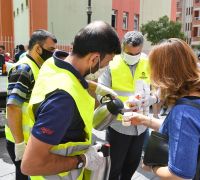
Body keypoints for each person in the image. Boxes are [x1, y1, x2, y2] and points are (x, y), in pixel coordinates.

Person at [21, 21, 121, 180]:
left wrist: (96, 88)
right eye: (107, 63)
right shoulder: (62, 101)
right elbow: (30, 165)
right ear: (94, 58)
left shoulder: (53, 63)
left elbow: (70, 78)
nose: (106, 68)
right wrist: (83, 160)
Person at [125, 38, 200, 179]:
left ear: (165, 73)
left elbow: (179, 176)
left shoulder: (184, 114)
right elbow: (186, 133)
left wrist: (151, 166)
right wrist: (145, 120)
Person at [98, 31, 159, 180]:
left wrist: (150, 100)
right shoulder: (112, 63)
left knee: (132, 164)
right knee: (114, 166)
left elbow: (159, 87)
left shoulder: (148, 62)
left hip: (141, 125)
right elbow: (100, 93)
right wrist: (120, 105)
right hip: (119, 124)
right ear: (123, 47)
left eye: (136, 53)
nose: (133, 57)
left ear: (141, 49)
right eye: (129, 53)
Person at [5, 30, 57, 180]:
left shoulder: (38, 67)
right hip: (21, 139)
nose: (53, 54)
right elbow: (13, 107)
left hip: (31, 139)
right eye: (51, 50)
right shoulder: (24, 69)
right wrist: (19, 143)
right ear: (38, 48)